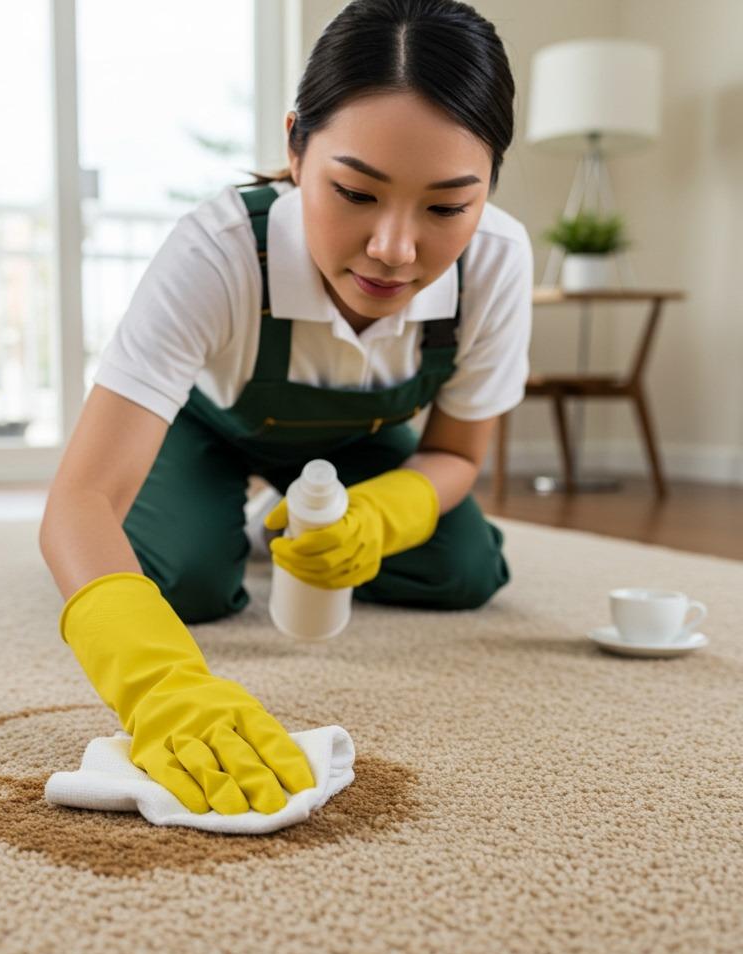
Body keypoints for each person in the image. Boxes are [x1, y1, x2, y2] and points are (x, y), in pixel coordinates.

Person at [39, 0, 532, 816]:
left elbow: (457, 455)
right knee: (187, 583)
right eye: (355, 192)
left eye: (447, 207)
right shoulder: (218, 251)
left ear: (488, 189)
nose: (395, 250)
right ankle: (249, 517)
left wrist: (377, 517)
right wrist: (162, 686)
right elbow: (80, 500)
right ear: (296, 146)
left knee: (463, 569)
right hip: (210, 427)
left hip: (357, 443)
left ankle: (291, 518)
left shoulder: (497, 264)